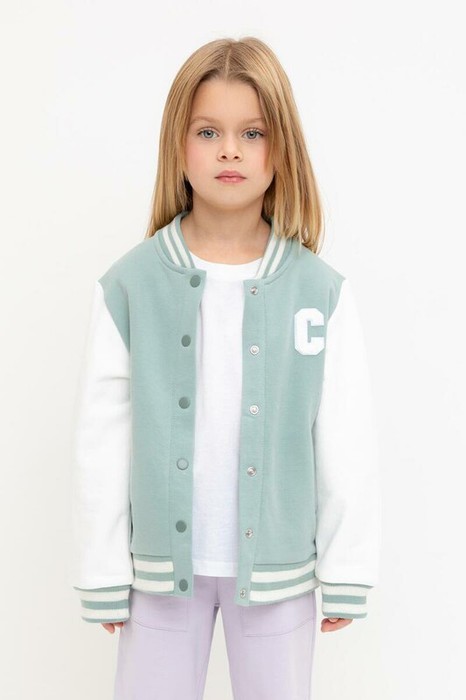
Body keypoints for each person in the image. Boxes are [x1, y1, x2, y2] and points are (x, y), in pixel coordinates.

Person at [69, 35, 382, 700]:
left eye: (253, 133)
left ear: (281, 149)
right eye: (208, 132)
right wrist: (102, 569)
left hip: (278, 573)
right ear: (178, 147)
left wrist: (347, 567)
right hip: (159, 574)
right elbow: (102, 436)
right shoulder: (130, 285)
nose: (230, 151)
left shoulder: (319, 292)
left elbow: (345, 437)